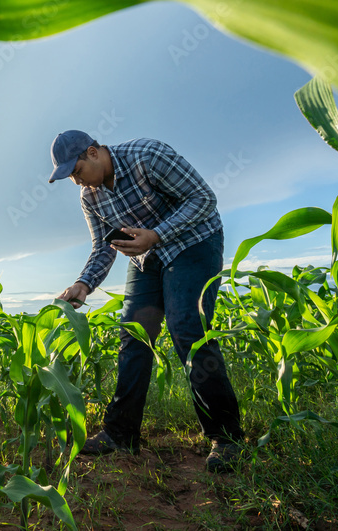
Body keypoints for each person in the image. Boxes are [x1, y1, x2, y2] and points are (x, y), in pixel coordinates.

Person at [48, 129, 244, 473]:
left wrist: (157, 234)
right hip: (147, 257)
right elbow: (102, 247)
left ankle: (226, 437)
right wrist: (83, 284)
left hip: (194, 243)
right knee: (134, 335)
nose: (77, 182)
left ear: (93, 152)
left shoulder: (146, 156)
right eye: (70, 178)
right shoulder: (90, 198)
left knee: (188, 330)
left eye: (77, 171)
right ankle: (121, 433)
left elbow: (203, 199)